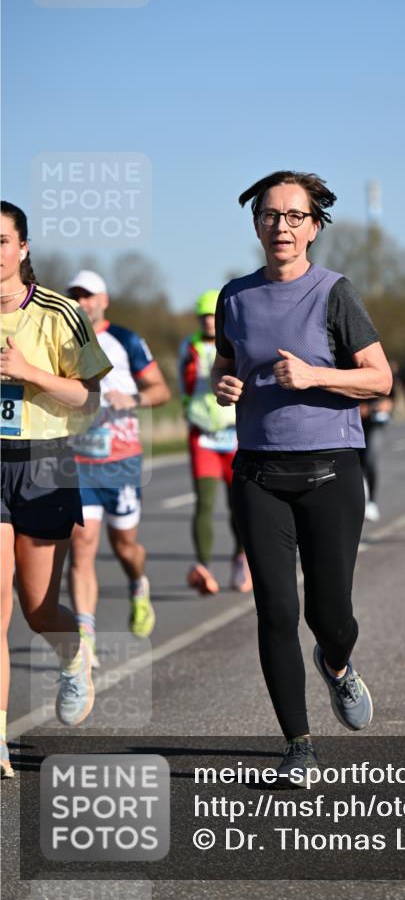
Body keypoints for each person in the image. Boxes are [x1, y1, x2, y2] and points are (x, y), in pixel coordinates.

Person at [212, 170, 392, 783]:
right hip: (259, 472)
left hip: (330, 472)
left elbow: (380, 378)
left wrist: (316, 376)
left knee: (330, 615)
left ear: (314, 227)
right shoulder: (233, 297)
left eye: (294, 216)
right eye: (270, 214)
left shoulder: (335, 293)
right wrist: (223, 386)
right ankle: (299, 744)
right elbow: (227, 365)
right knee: (274, 610)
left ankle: (338, 665)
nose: (280, 225)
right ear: (257, 222)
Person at [1, 203, 112, 777]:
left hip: (42, 462)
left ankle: (75, 655)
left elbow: (87, 399)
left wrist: (30, 373)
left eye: (1, 241)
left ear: (22, 248)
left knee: (37, 609)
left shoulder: (58, 312)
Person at [67, 271, 171, 665]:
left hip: (122, 464)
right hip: (78, 462)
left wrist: (132, 398)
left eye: (88, 295)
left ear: (103, 299)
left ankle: (137, 583)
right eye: (74, 295)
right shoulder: (61, 341)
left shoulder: (126, 340)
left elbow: (161, 390)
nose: (81, 302)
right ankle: (85, 636)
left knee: (125, 547)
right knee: (82, 546)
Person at [179, 290, 250, 594]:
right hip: (203, 435)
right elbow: (185, 385)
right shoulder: (189, 347)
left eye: (213, 316)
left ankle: (240, 559)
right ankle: (204, 567)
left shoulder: (237, 343)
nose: (209, 322)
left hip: (235, 434)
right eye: (204, 317)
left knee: (239, 505)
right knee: (205, 503)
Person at [358, 369, 395, 522]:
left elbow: (390, 396)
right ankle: (362, 500)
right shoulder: (345, 363)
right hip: (356, 424)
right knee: (358, 465)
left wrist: (386, 405)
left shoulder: (378, 365)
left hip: (375, 424)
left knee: (371, 461)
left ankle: (372, 502)